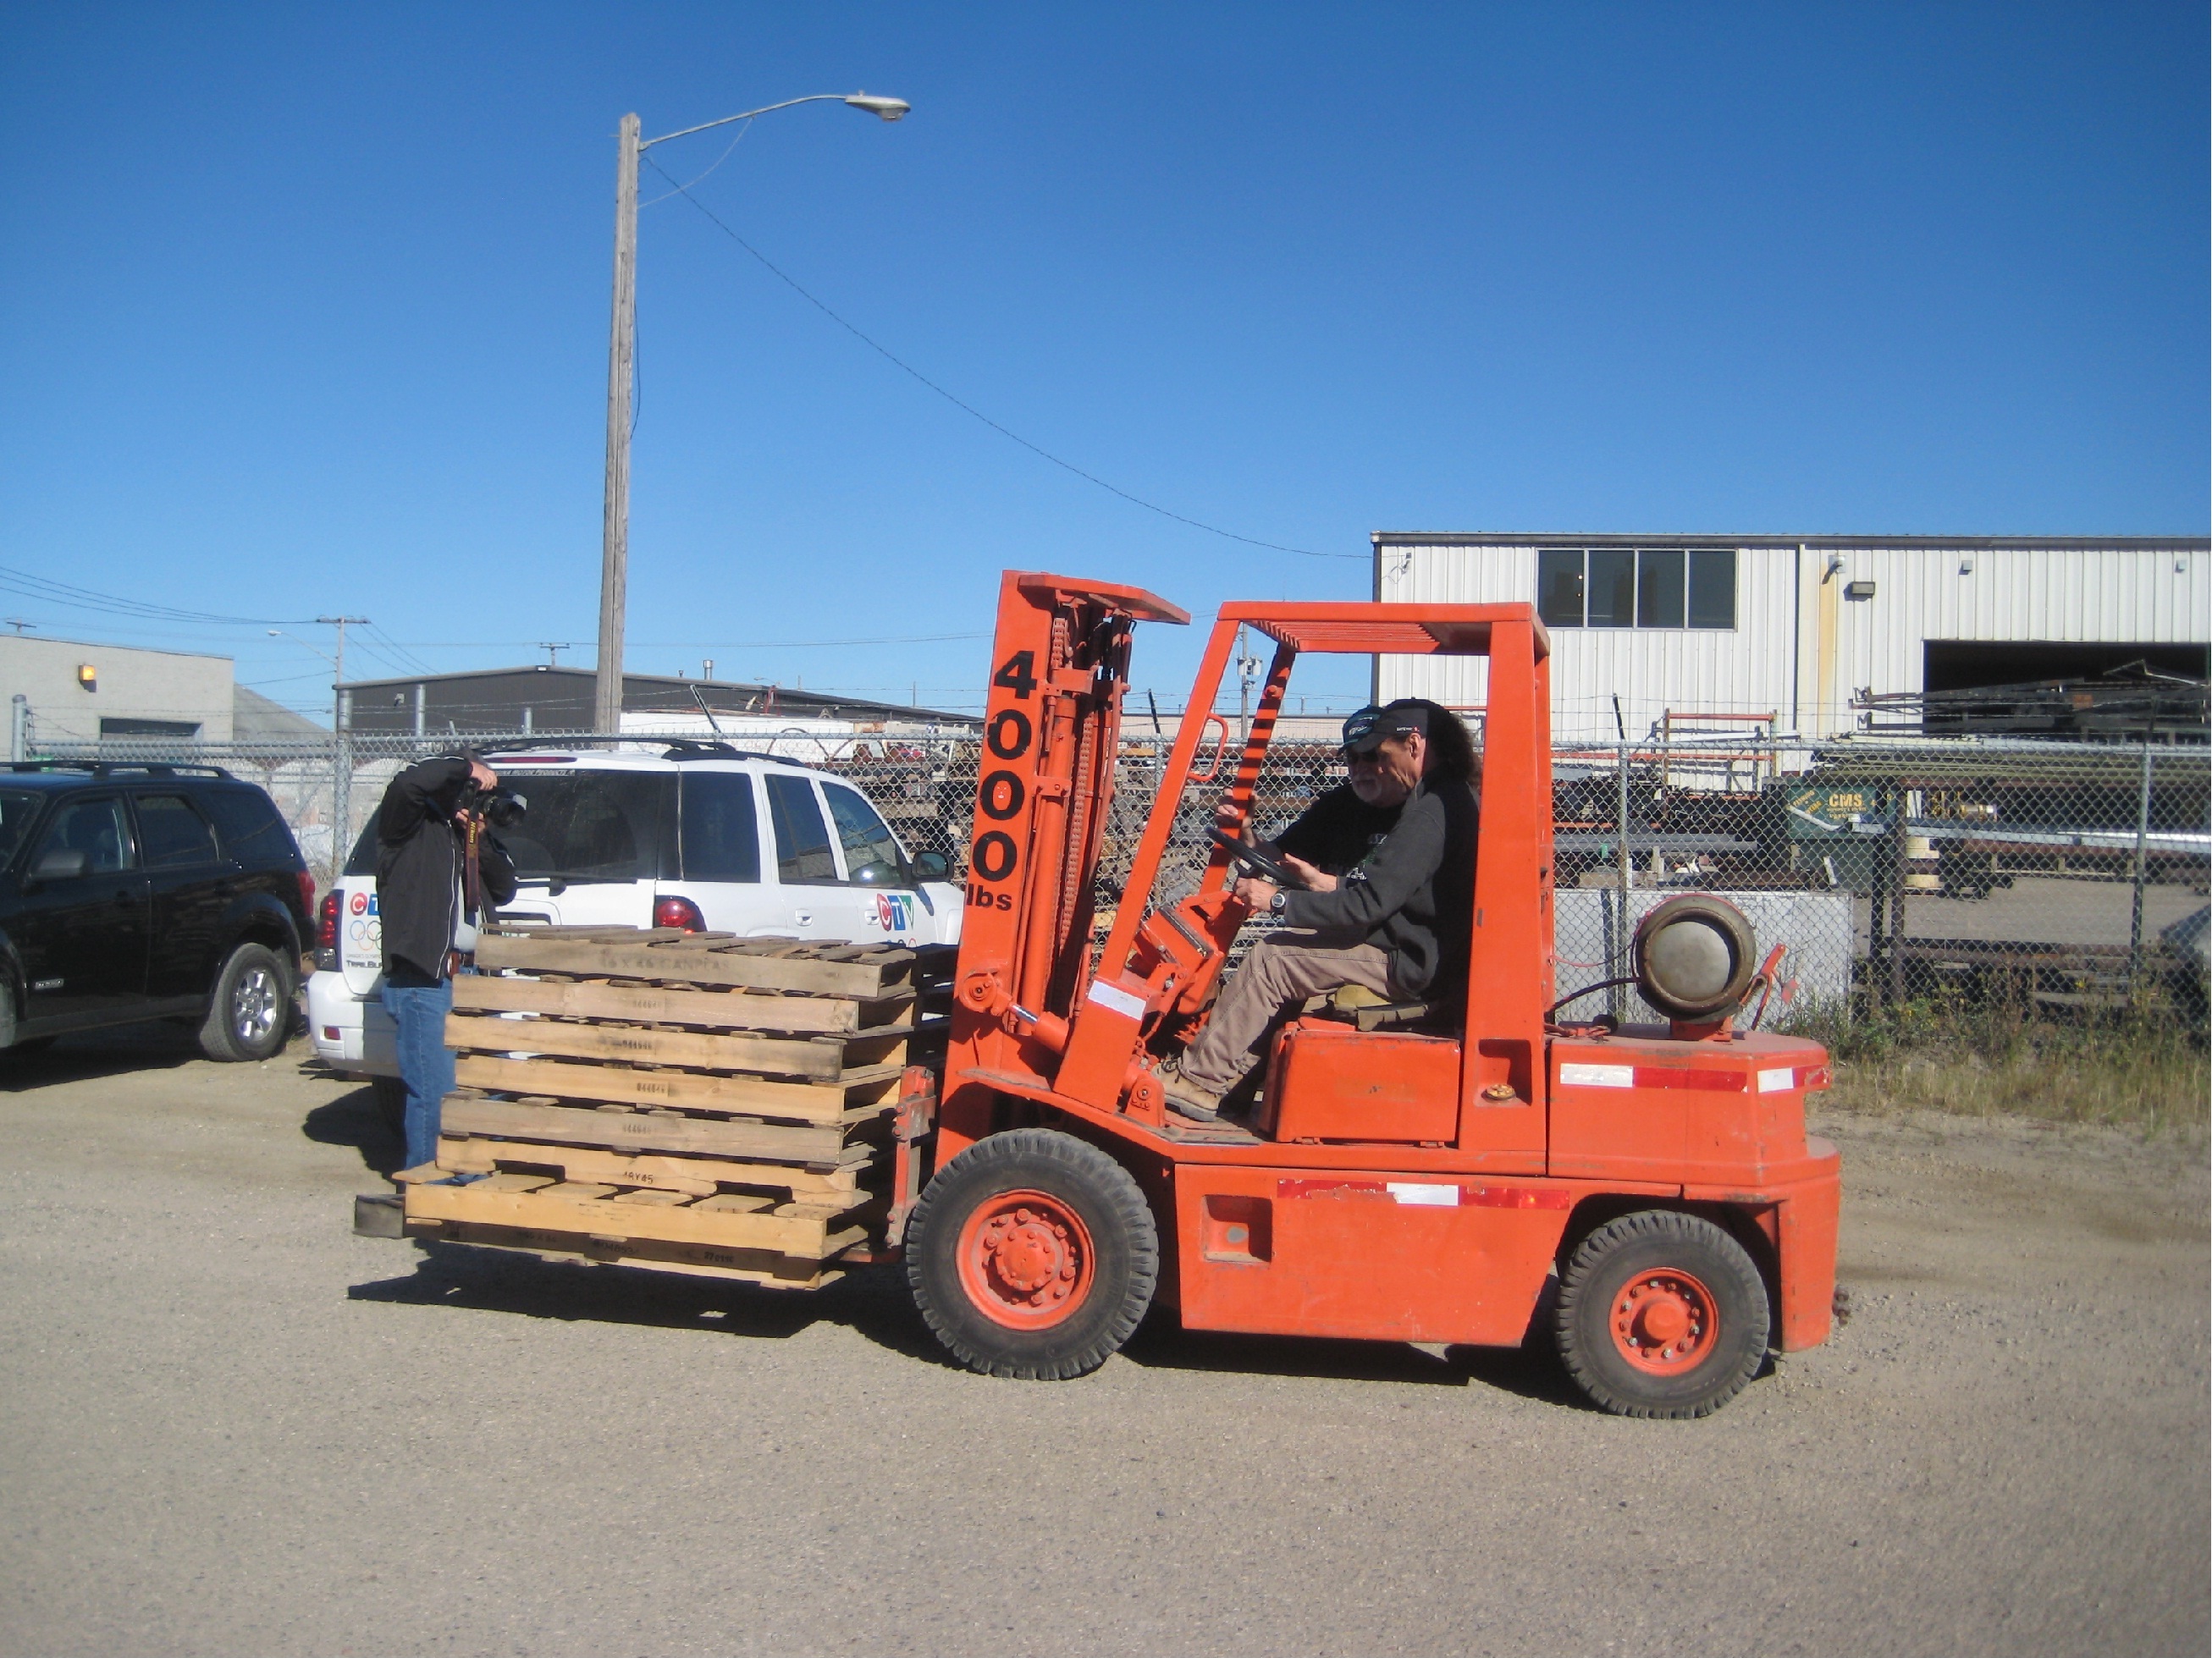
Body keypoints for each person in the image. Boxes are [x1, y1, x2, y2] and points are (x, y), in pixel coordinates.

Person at [1161, 699, 1480, 1123]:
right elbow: (1359, 884)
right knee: (1295, 953)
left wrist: (1278, 901)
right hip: (1395, 941)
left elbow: (1367, 901)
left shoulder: (1432, 810)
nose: (1363, 767)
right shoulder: (1430, 799)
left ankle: (1196, 1081)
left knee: (1272, 960)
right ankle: (1234, 1087)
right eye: (1354, 758)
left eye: (1376, 755)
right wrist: (1250, 837)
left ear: (1415, 745)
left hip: (1407, 959)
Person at [375, 752, 517, 1179]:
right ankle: (430, 1187)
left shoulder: (464, 834)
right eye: (470, 789)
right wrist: (466, 767)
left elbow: (505, 887)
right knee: (436, 1093)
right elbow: (408, 784)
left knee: (486, 1084)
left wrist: (479, 834)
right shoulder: (407, 825)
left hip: (476, 978)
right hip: (425, 978)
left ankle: (473, 1178)